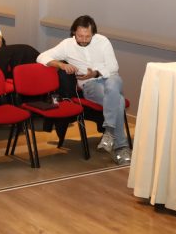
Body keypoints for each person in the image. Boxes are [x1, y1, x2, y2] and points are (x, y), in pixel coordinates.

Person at [37, 15, 131, 166]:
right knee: (118, 100)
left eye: (88, 36)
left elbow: (113, 67)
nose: (84, 39)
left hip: (110, 79)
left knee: (113, 85)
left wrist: (95, 72)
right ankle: (120, 145)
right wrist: (61, 65)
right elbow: (41, 57)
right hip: (90, 85)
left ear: (93, 33)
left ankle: (111, 135)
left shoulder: (102, 41)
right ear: (74, 32)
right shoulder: (67, 45)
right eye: (80, 36)